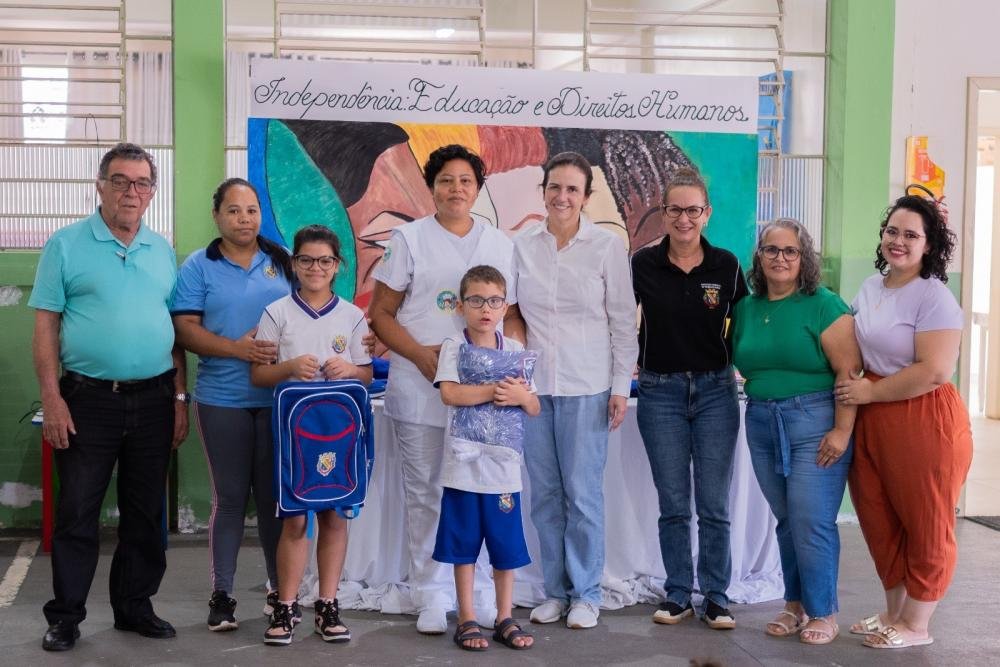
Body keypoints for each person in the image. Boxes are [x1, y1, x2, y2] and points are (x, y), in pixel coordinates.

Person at [30, 142, 189, 651]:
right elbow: (45, 328)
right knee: (78, 512)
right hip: (87, 399)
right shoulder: (67, 244)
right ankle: (66, 617)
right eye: (121, 180)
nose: (131, 191)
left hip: (156, 398)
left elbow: (177, 331)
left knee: (146, 514)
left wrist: (179, 399)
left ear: (151, 193)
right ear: (100, 185)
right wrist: (52, 400)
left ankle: (134, 608)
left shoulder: (162, 250)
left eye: (142, 183)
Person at [368, 144, 515, 634]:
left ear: (478, 187)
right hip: (420, 387)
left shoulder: (499, 243)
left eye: (466, 180)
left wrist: (510, 371)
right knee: (427, 492)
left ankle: (480, 596)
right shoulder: (408, 239)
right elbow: (381, 315)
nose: (456, 189)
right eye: (446, 180)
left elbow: (510, 316)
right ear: (431, 187)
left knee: (482, 493)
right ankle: (429, 594)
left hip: (484, 399)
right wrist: (420, 357)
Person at [504, 151, 638, 629]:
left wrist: (620, 387)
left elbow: (624, 323)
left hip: (588, 387)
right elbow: (511, 310)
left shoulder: (605, 248)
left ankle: (586, 594)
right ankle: (555, 591)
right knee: (545, 494)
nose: (562, 197)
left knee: (582, 495)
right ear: (543, 190)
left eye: (573, 190)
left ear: (585, 197)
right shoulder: (521, 246)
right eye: (555, 187)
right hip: (536, 390)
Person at [835, 195, 972, 649]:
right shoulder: (871, 287)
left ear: (929, 245)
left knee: (926, 521)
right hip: (873, 416)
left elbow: (933, 370)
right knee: (877, 518)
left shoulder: (934, 296)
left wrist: (871, 391)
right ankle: (893, 611)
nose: (899, 241)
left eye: (911, 235)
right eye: (893, 231)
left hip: (922, 417)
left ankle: (916, 624)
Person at [171, 178, 293, 631]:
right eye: (234, 210)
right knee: (230, 498)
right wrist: (236, 349)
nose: (245, 218)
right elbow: (183, 329)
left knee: (274, 500)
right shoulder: (198, 266)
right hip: (222, 399)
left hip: (279, 398)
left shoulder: (281, 261)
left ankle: (281, 591)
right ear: (217, 215)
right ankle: (221, 596)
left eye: (252, 210)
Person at [732, 218, 861, 645]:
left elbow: (850, 373)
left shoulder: (824, 305)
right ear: (760, 257)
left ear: (803, 258)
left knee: (811, 519)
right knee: (787, 520)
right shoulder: (747, 308)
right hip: (762, 422)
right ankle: (795, 605)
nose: (781, 258)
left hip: (815, 423)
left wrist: (842, 432)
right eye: (772, 250)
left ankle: (824, 612)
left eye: (790, 251)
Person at [631, 167, 747, 629]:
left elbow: (744, 325)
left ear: (706, 213)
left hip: (717, 391)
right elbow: (622, 320)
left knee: (714, 504)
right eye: (675, 209)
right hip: (659, 392)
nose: (684, 219)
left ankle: (716, 595)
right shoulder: (641, 263)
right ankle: (678, 592)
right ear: (663, 213)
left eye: (693, 210)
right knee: (674, 502)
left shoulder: (727, 265)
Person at [251, 224, 372, 646]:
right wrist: (288, 368)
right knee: (295, 519)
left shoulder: (353, 315)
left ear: (337, 266)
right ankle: (286, 606)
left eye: (324, 260)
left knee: (335, 516)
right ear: (294, 264)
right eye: (306, 260)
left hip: (338, 435)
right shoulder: (276, 313)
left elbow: (368, 372)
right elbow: (259, 373)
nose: (315, 267)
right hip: (292, 437)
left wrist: (352, 370)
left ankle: (328, 604)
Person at [431, 265, 539, 652]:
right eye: (476, 300)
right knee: (463, 544)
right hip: (462, 468)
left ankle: (504, 615)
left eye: (494, 301)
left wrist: (522, 397)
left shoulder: (515, 352)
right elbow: (450, 395)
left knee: (505, 547)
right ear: (461, 306)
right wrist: (494, 389)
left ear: (505, 305)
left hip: (504, 470)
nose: (485, 309)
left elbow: (534, 405)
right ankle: (466, 617)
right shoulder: (453, 348)